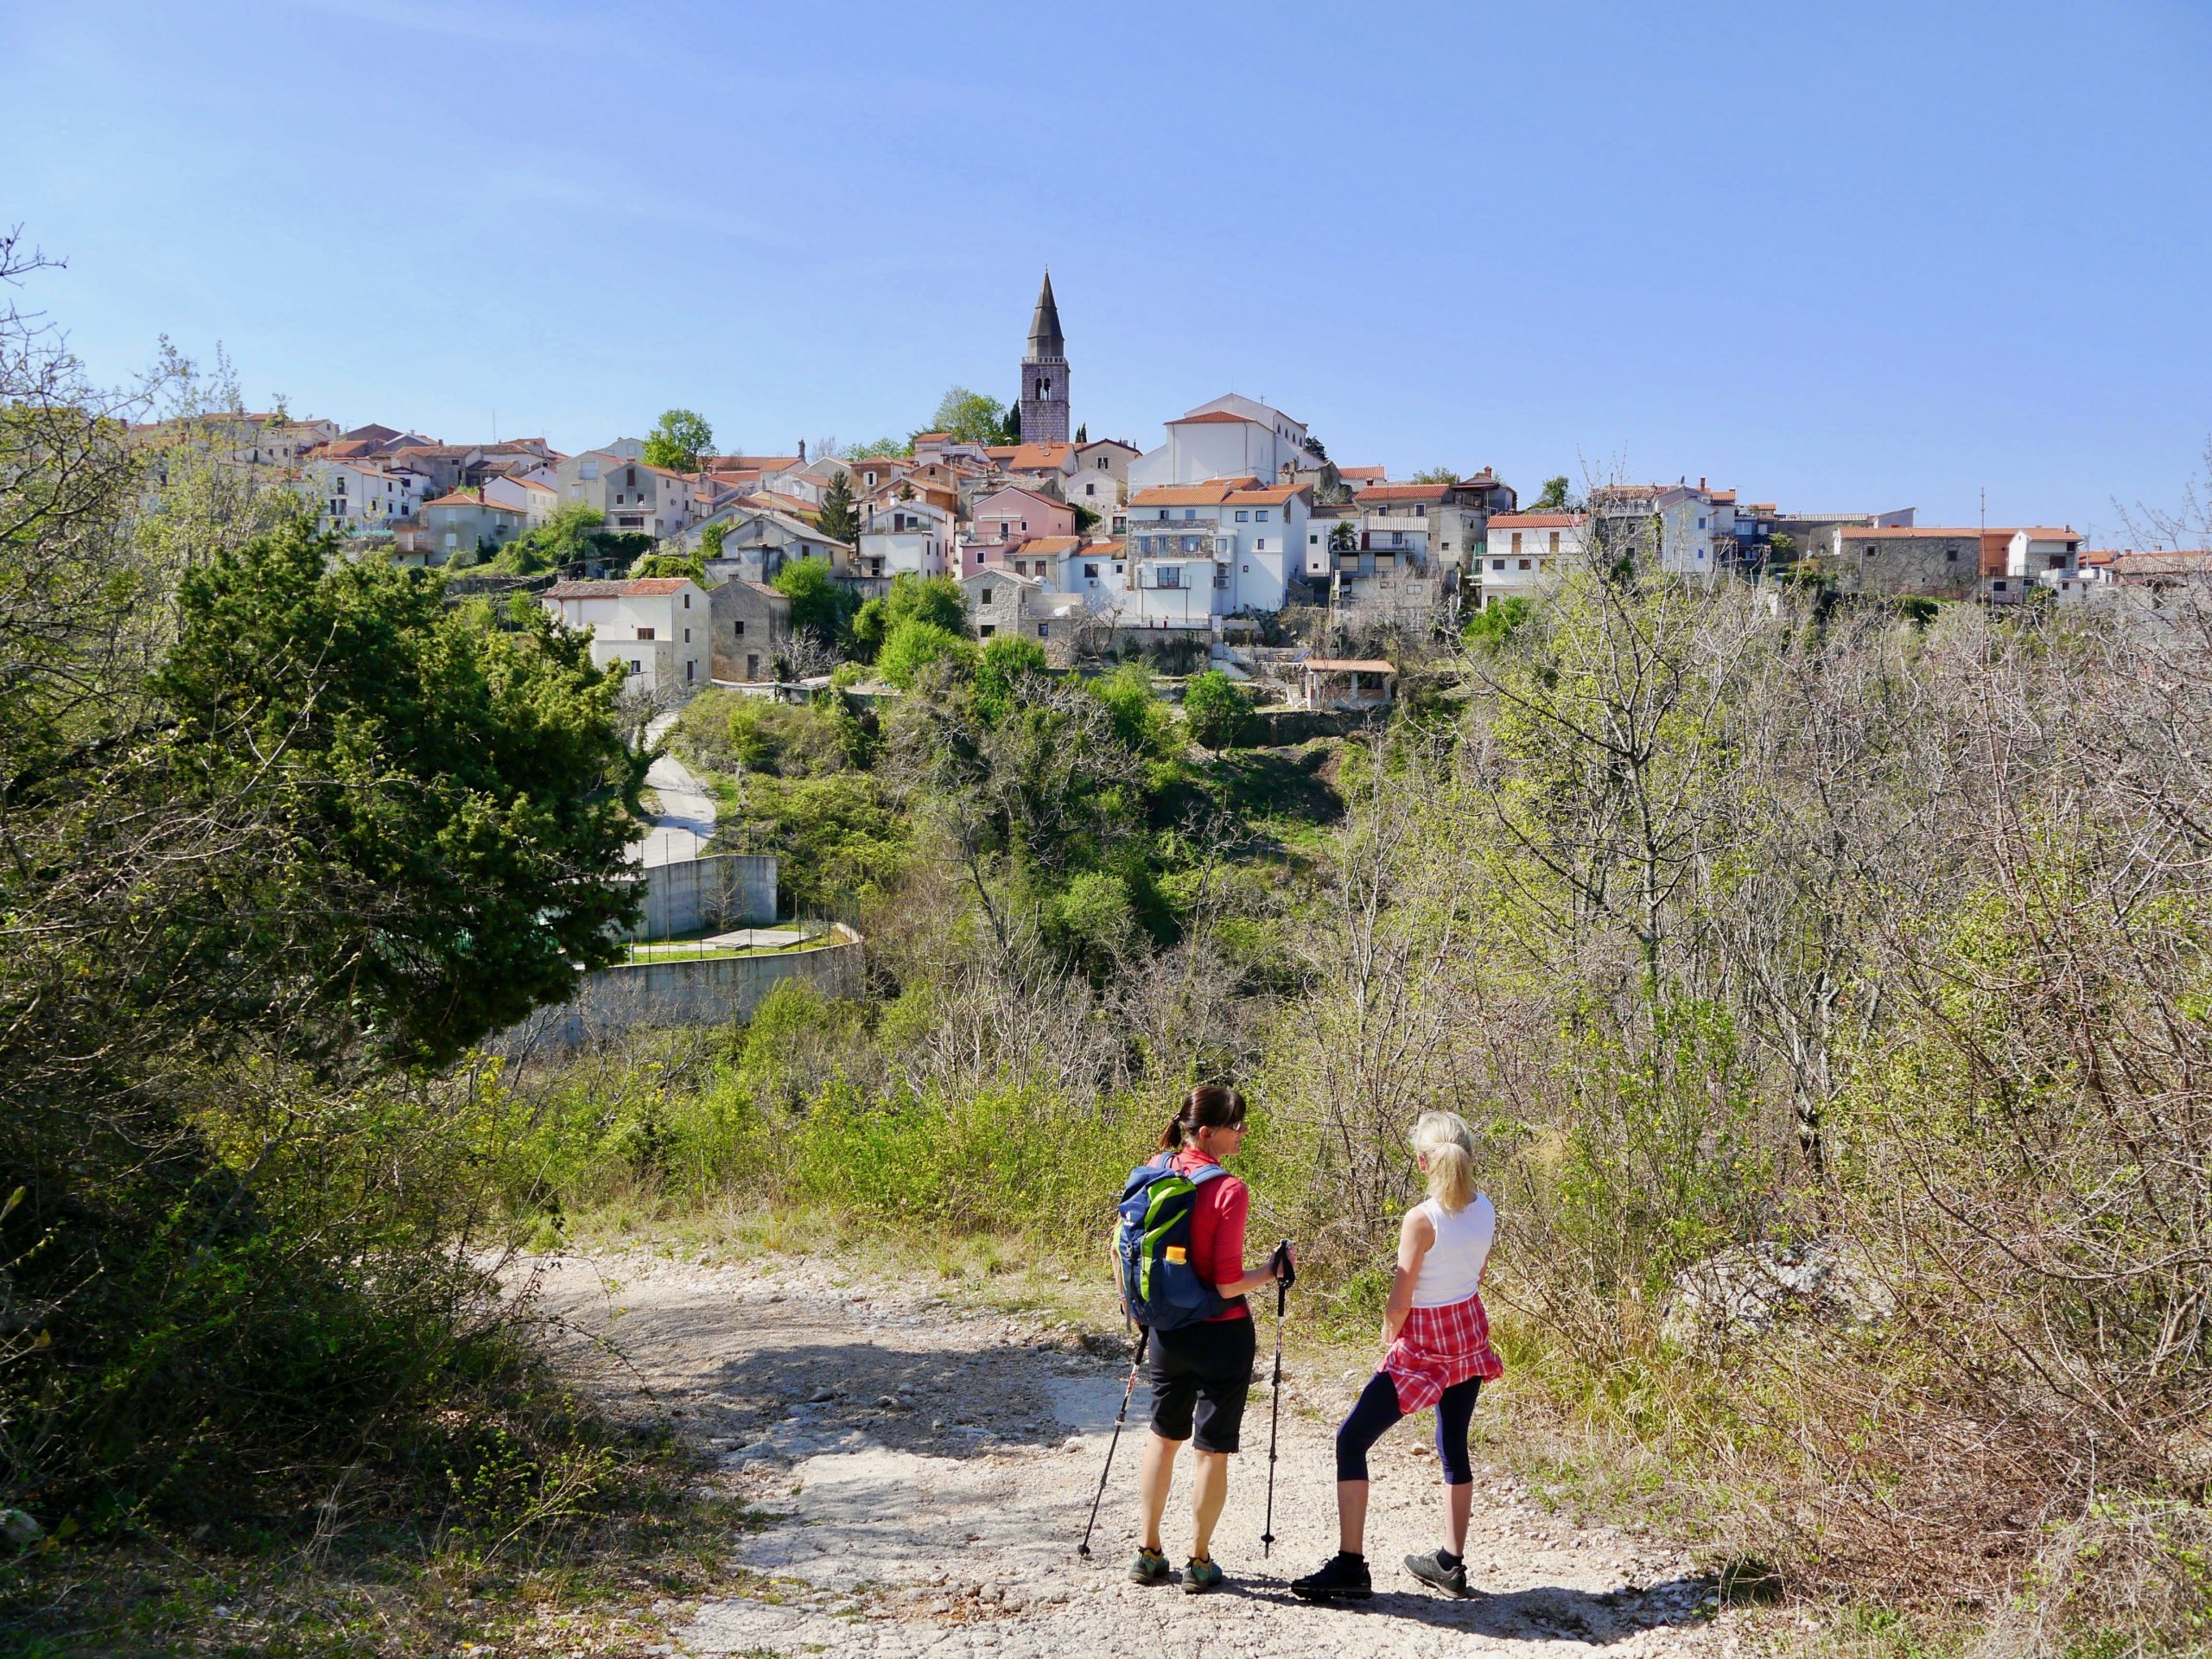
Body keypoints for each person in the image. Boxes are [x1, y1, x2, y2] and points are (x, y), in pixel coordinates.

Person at [1291, 1110, 1502, 1602]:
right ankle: (1450, 1562)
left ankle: (1350, 1565)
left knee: (1351, 1440)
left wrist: (1390, 1336)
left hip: (1425, 1343)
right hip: (1468, 1331)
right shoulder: (1486, 1207)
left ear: (1423, 1160)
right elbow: (1479, 1272)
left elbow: (1401, 1295)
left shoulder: (1421, 1219)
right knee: (1454, 1445)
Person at [1129, 1084, 1294, 1595]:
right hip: (1221, 1335)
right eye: (1236, 1125)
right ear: (1207, 1132)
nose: (1243, 1132)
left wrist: (1141, 1315)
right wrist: (1271, 1270)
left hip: (1165, 1332)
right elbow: (1226, 1283)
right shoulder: (1228, 1189)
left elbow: (1122, 1251)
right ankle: (1198, 1563)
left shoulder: (1154, 1170)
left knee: (1162, 1437)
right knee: (1210, 1450)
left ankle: (1149, 1552)